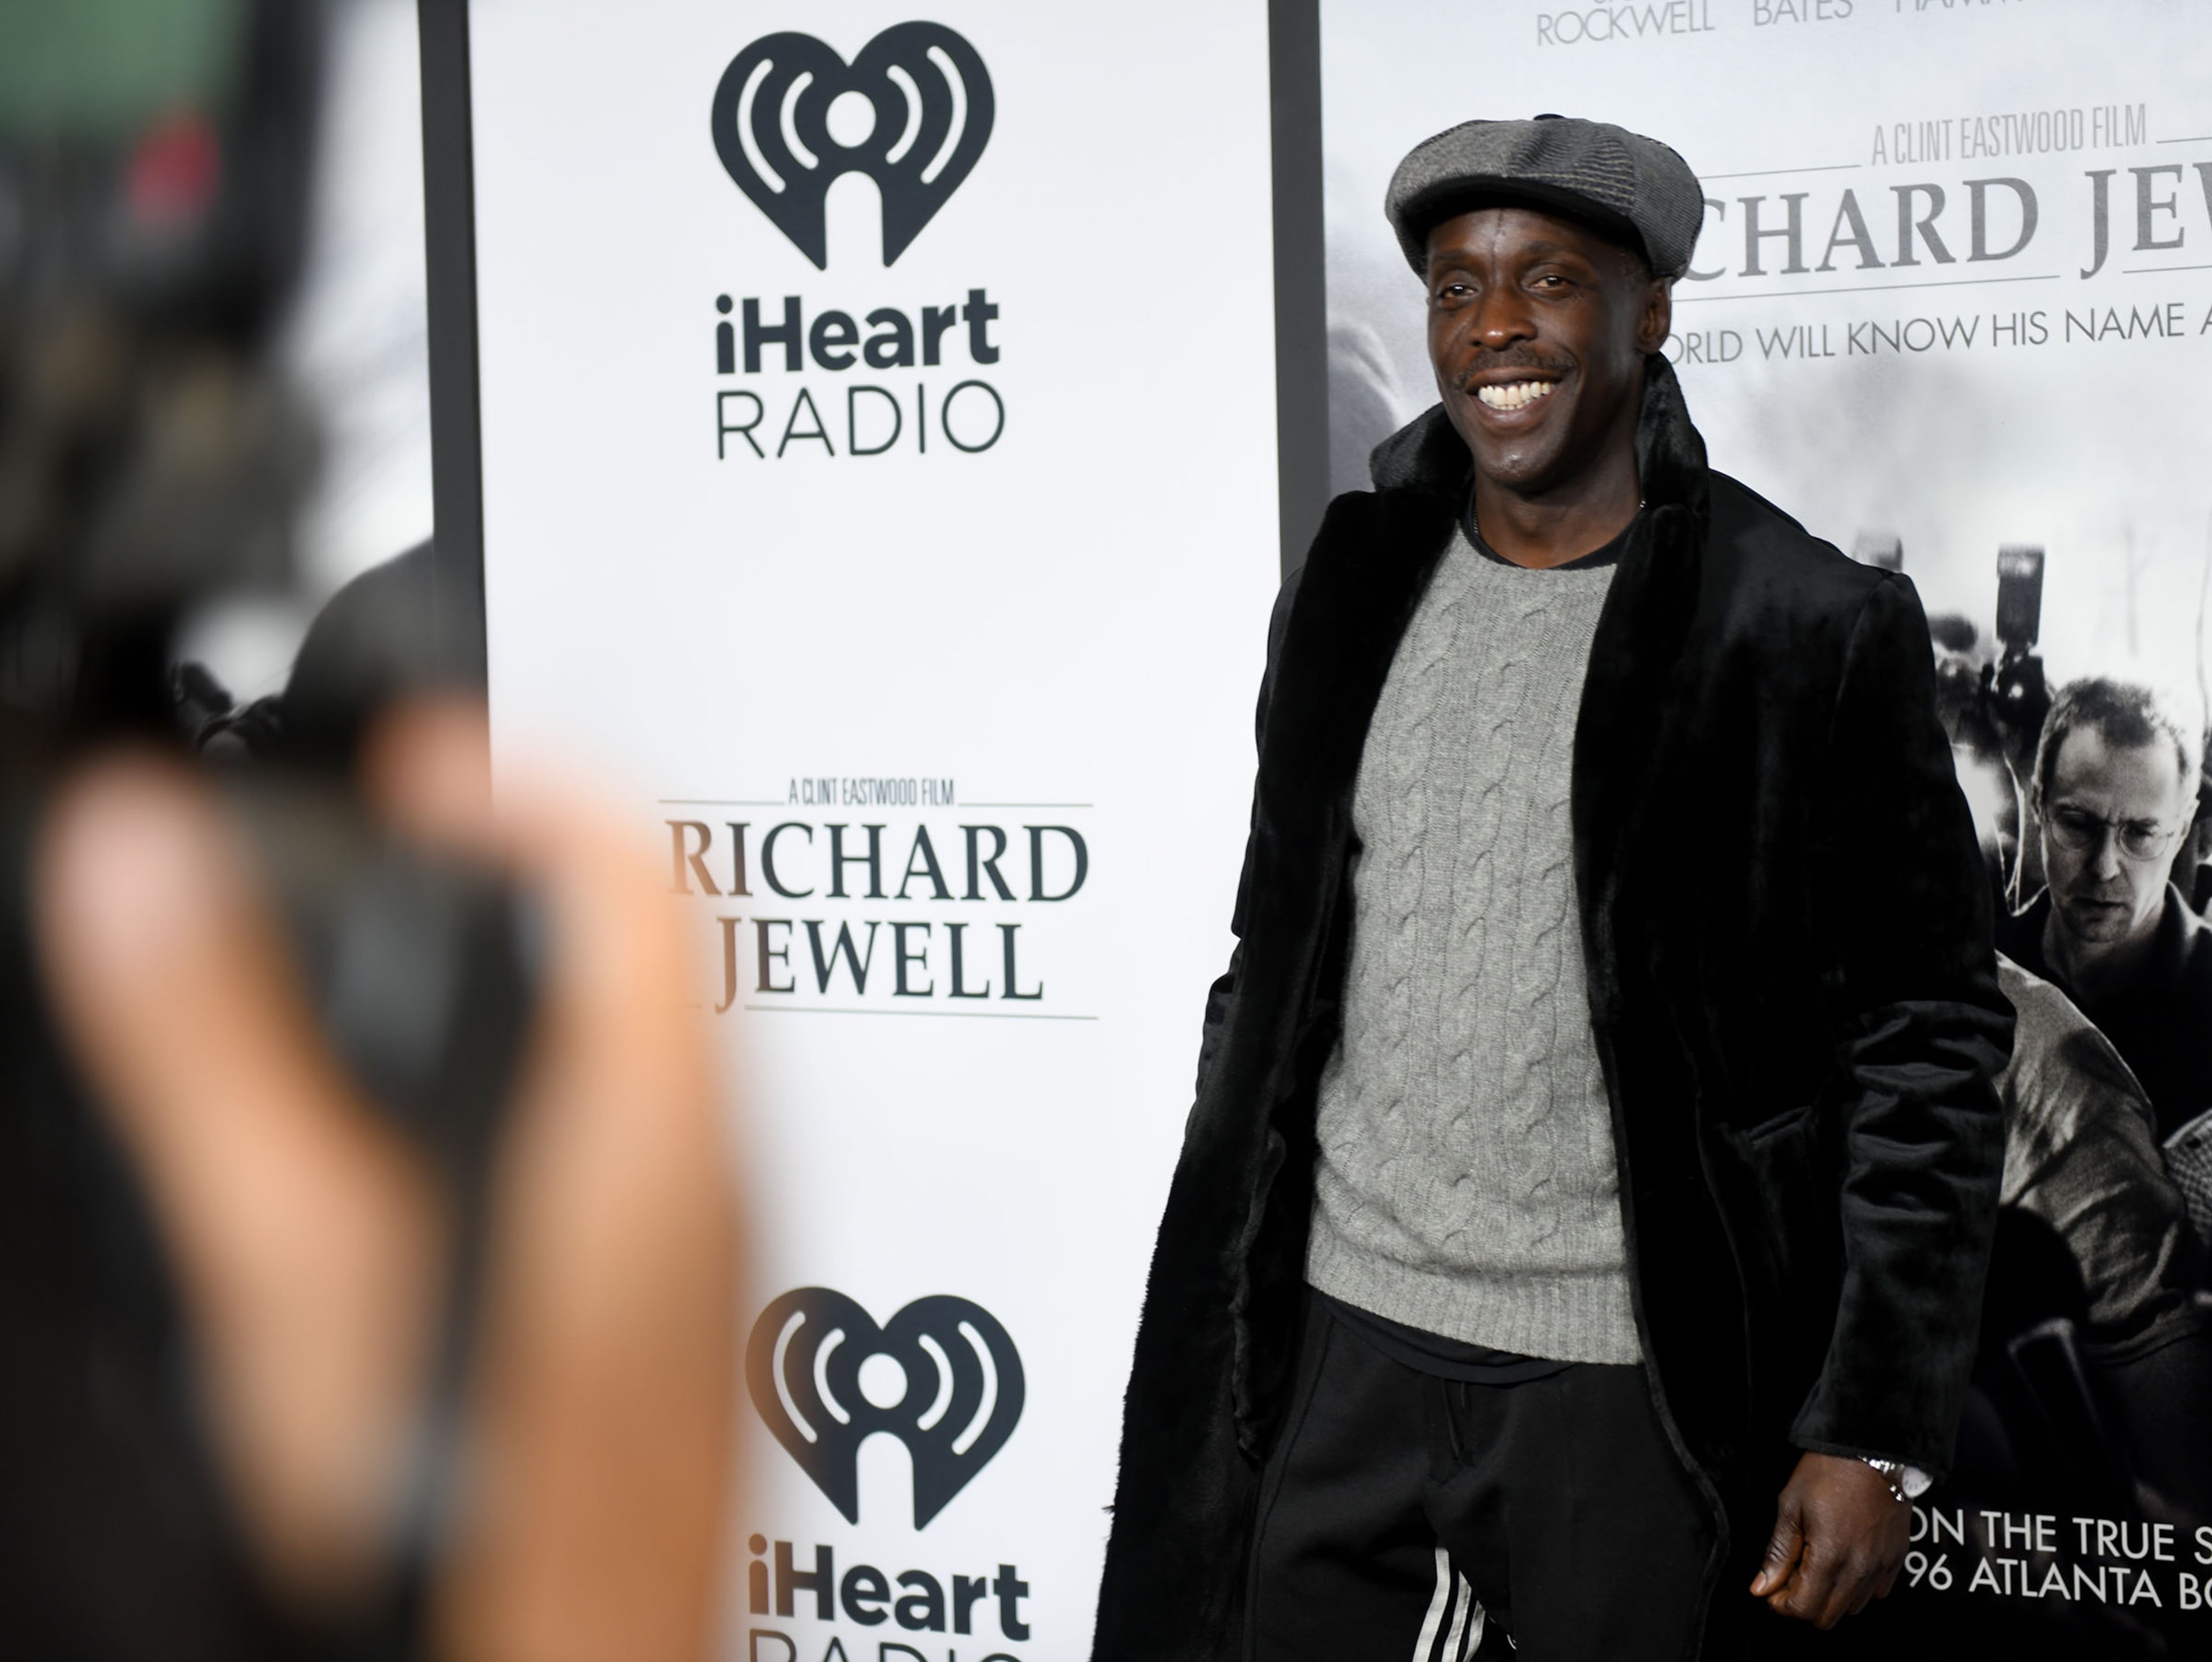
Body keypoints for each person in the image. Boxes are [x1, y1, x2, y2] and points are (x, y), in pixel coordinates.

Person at [1093, 116, 2013, 1661]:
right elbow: (1280, 948)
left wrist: (1873, 1421)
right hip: (1339, 1346)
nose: (1495, 326)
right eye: (1456, 287)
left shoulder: (1802, 620)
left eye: (1550, 279)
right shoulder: (1357, 567)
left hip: (1627, 1386)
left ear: (1651, 311)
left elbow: (1929, 1033)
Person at [1996, 677, 2212, 1145]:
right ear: (2038, 803)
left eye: (2140, 834)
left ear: (2183, 829)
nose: (2104, 867)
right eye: (2078, 823)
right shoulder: (1982, 977)